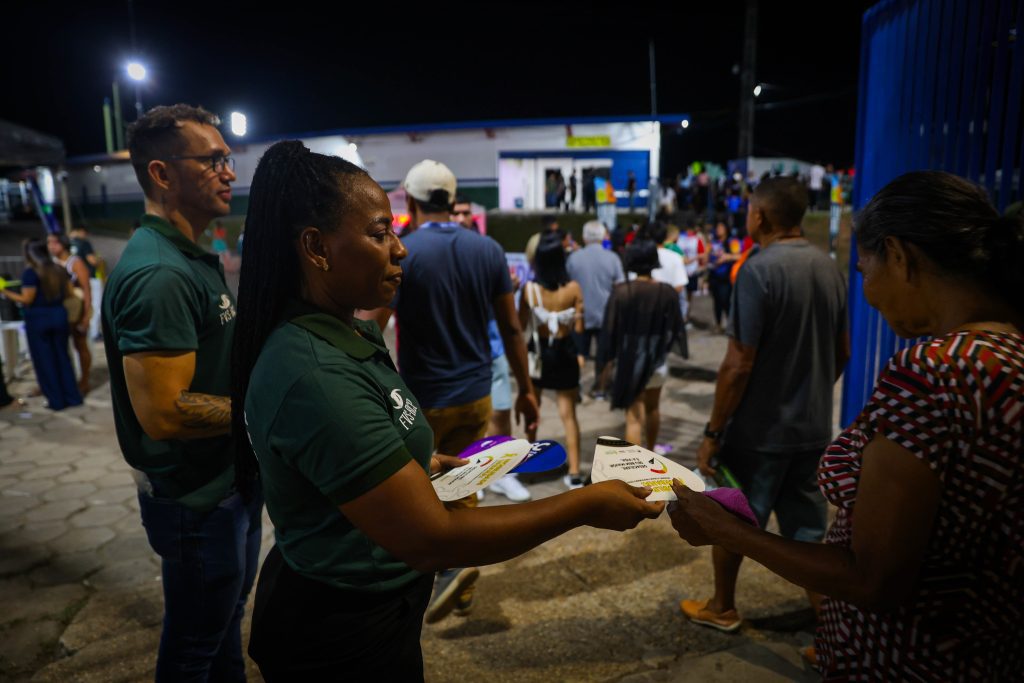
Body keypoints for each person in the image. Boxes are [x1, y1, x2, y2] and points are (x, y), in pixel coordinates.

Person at [233, 140, 665, 680]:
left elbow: (358, 450)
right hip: (341, 627)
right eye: (379, 232)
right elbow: (431, 537)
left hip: (379, 600)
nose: (400, 248)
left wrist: (419, 461)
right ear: (317, 247)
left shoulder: (348, 328)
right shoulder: (315, 375)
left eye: (394, 227)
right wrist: (585, 507)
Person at [669, 170, 1023, 679]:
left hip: (904, 659)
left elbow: (873, 579)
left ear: (899, 256)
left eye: (866, 269)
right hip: (989, 651)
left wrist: (729, 530)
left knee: (742, 510)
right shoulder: (1008, 353)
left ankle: (722, 604)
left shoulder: (931, 374)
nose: (870, 294)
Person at [102, 104, 262, 681]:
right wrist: (264, 413)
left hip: (228, 483)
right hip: (197, 501)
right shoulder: (159, 274)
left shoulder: (192, 258)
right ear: (162, 174)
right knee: (194, 650)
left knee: (222, 632)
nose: (228, 172)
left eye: (228, 158)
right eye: (212, 160)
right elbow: (164, 414)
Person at [368, 159, 540, 623]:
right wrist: (526, 390)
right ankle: (458, 571)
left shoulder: (405, 252)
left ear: (411, 199)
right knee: (463, 484)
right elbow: (510, 328)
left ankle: (444, 570)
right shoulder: (486, 250)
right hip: (477, 391)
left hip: (425, 396)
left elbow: (373, 327)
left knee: (421, 489)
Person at [677, 177, 848, 635]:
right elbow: (843, 351)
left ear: (762, 217)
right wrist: (808, 391)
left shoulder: (758, 269)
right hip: (813, 430)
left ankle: (723, 606)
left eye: (751, 211)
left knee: (732, 522)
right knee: (810, 538)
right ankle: (834, 637)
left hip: (759, 434)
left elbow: (737, 363)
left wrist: (713, 432)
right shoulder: (829, 267)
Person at [451, 195, 528, 503]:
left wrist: (511, 289)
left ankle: (503, 475)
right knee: (463, 419)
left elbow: (504, 306)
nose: (460, 218)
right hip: (457, 351)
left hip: (492, 347)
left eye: (466, 212)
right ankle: (471, 474)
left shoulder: (486, 251)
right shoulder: (444, 252)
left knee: (500, 412)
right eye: (455, 212)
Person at [600, 238, 682, 450]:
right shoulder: (667, 292)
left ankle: (635, 473)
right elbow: (676, 329)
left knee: (634, 417)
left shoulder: (622, 291)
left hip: (630, 360)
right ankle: (651, 450)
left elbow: (609, 331)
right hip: (657, 360)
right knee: (653, 408)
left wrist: (606, 363)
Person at [520, 231, 585, 488]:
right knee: (568, 414)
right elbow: (579, 326)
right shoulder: (573, 288)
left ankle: (527, 464)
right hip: (565, 351)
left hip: (538, 353)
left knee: (533, 411)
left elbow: (520, 323)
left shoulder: (530, 290)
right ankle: (576, 471)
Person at [1, 239, 82, 411]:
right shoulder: (59, 269)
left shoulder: (31, 273)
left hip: (39, 318)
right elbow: (69, 293)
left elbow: (27, 299)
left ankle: (56, 401)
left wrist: (4, 291)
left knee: (45, 361)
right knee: (63, 358)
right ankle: (72, 397)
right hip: (59, 315)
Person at [566, 220, 625, 399]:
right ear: (603, 236)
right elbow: (620, 287)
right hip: (606, 314)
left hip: (580, 314)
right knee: (605, 354)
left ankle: (574, 388)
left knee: (578, 353)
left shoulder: (573, 258)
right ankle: (601, 387)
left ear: (584, 237)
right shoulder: (612, 258)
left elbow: (566, 285)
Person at [47, 233, 92, 395]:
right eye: (49, 242)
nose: (51, 246)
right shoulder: (51, 263)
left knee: (80, 345)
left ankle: (85, 380)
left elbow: (87, 290)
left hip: (77, 311)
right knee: (61, 347)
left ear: (64, 244)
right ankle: (65, 380)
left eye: (55, 242)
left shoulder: (75, 262)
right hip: (60, 311)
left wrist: (86, 316)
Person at [69, 226, 104, 341]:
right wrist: (99, 260)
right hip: (90, 278)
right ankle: (93, 333)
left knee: (80, 306)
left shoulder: (68, 244)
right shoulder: (84, 243)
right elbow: (92, 261)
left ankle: (82, 331)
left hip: (75, 281)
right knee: (95, 305)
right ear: (82, 232)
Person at [706, 222, 740, 332]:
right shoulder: (713, 242)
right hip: (714, 276)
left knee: (726, 300)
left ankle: (731, 324)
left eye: (721, 227)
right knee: (716, 301)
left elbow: (741, 256)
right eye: (718, 227)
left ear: (726, 229)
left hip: (726, 277)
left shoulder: (732, 242)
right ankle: (718, 324)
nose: (719, 229)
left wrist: (728, 257)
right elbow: (707, 257)